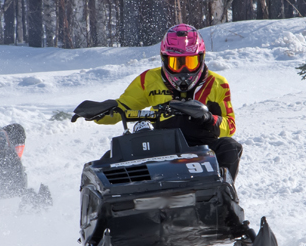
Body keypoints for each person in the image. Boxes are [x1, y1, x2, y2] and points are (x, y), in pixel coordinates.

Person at [82, 24, 242, 179]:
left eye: (190, 62)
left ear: (201, 58)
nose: (183, 71)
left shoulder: (217, 83)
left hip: (201, 144)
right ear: (164, 60)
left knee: (230, 147)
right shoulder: (148, 80)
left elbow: (230, 125)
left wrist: (208, 119)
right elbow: (123, 106)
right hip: (160, 144)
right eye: (176, 63)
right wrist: (100, 111)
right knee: (112, 156)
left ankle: (225, 196)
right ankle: (105, 198)